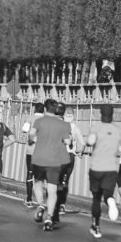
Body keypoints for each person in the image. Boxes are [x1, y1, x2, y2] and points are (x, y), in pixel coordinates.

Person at [29, 99, 71, 232]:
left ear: (45, 110)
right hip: (54, 161)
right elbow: (67, 141)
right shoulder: (63, 124)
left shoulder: (39, 121)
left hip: (39, 158)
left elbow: (31, 136)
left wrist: (36, 140)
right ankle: (49, 218)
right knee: (52, 191)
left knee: (37, 182)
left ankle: (41, 204)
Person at [85, 105, 121, 239]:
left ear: (100, 114)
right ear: (112, 114)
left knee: (96, 198)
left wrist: (90, 142)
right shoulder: (118, 130)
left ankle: (96, 227)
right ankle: (110, 201)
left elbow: (90, 141)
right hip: (111, 168)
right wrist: (114, 148)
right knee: (108, 194)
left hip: (96, 167)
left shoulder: (97, 127)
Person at [53, 105, 85, 225]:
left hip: (60, 155)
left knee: (57, 181)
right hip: (71, 156)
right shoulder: (76, 128)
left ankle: (55, 203)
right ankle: (62, 205)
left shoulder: (59, 126)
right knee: (65, 181)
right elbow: (82, 143)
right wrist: (80, 152)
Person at [20, 102, 45, 208]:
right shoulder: (46, 120)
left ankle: (29, 199)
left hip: (31, 151)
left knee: (30, 174)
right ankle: (42, 201)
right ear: (43, 110)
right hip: (43, 152)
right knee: (41, 177)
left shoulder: (30, 118)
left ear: (35, 110)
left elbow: (24, 129)